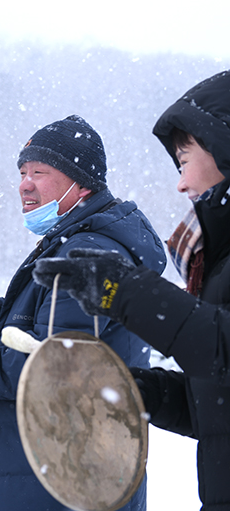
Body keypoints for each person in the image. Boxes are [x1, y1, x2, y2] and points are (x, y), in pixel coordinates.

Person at [0, 115, 166, 511]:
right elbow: (19, 334)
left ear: (81, 183)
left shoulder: (88, 255)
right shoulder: (69, 244)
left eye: (39, 171)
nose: (24, 184)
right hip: (53, 472)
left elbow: (45, 372)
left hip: (70, 477)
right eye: (22, 172)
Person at [33, 70, 230, 511]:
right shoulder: (216, 264)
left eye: (183, 161)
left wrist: (119, 290)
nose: (180, 183)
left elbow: (223, 345)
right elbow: (214, 409)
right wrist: (124, 388)